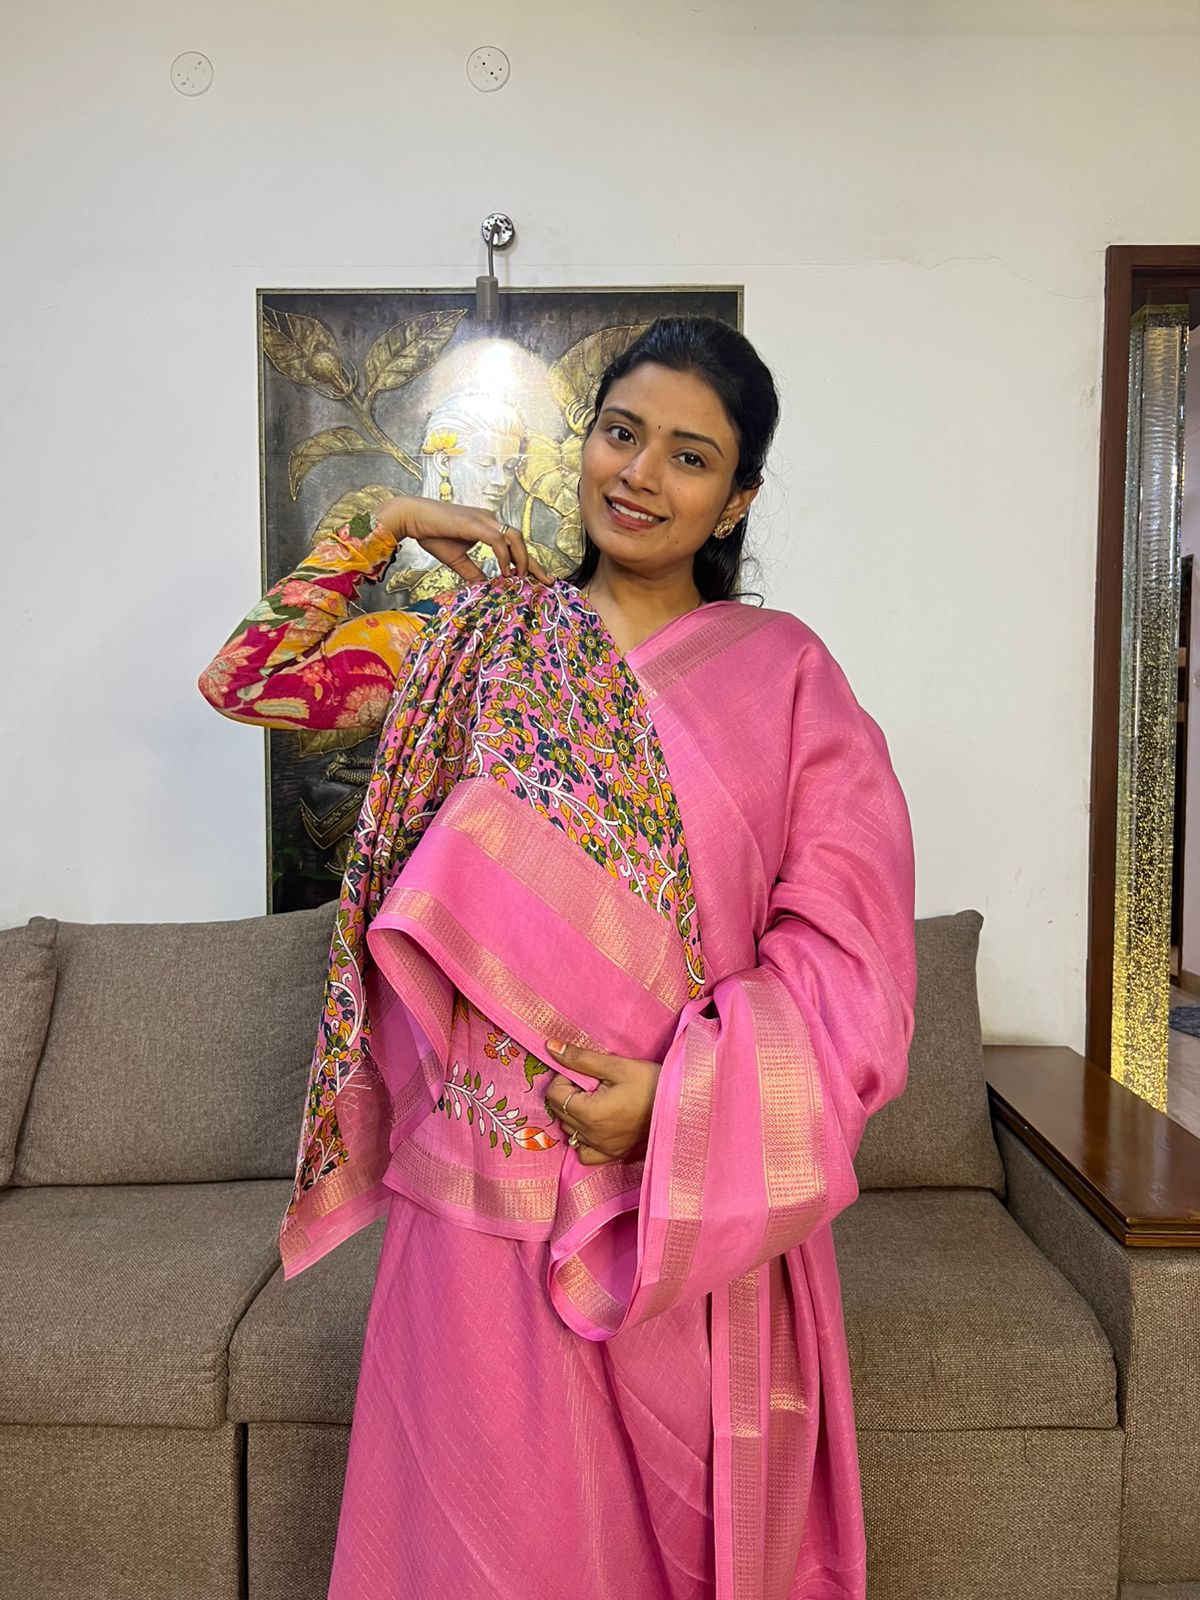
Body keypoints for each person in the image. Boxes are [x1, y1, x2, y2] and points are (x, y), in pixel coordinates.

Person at [198, 314, 917, 1600]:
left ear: (738, 498)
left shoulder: (788, 679)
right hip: (475, 1200)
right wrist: (379, 519)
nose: (640, 475)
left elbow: (852, 967)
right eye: (621, 433)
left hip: (668, 1207)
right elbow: (247, 674)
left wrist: (682, 1102)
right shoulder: (479, 643)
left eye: (690, 456)